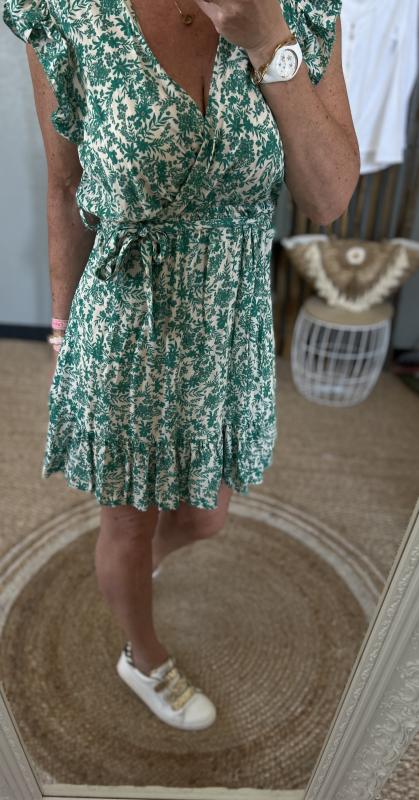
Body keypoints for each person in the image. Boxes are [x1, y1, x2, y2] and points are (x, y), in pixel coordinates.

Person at [3, 0, 360, 730]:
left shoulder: (300, 9)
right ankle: (142, 657)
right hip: (125, 323)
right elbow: (66, 186)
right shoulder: (67, 10)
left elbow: (326, 199)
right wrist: (64, 330)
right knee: (128, 525)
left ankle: (140, 567)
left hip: (227, 330)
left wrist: (268, 41)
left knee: (205, 516)